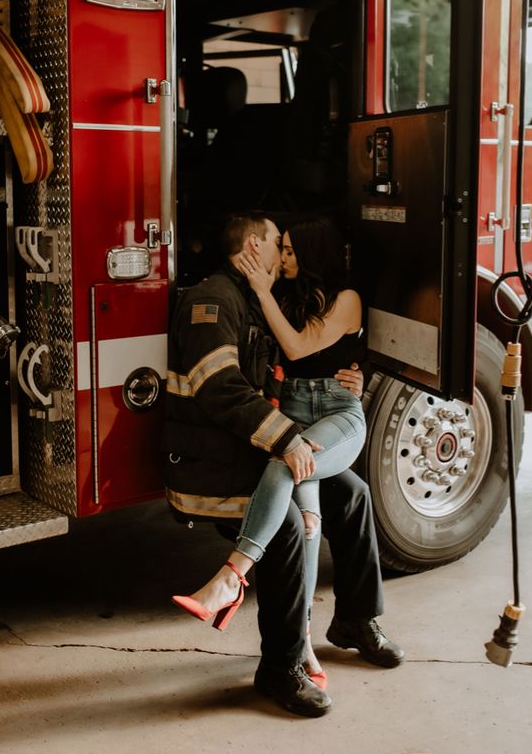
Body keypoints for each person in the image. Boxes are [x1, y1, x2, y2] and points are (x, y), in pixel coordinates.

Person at [163, 212, 403, 718]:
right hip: (220, 462)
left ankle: (356, 621)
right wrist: (286, 438)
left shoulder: (254, 295)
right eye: (278, 244)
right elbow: (220, 388)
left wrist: (354, 375)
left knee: (353, 494)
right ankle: (281, 668)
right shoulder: (214, 300)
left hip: (251, 446)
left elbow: (306, 352)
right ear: (255, 245)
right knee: (290, 528)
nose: (283, 253)